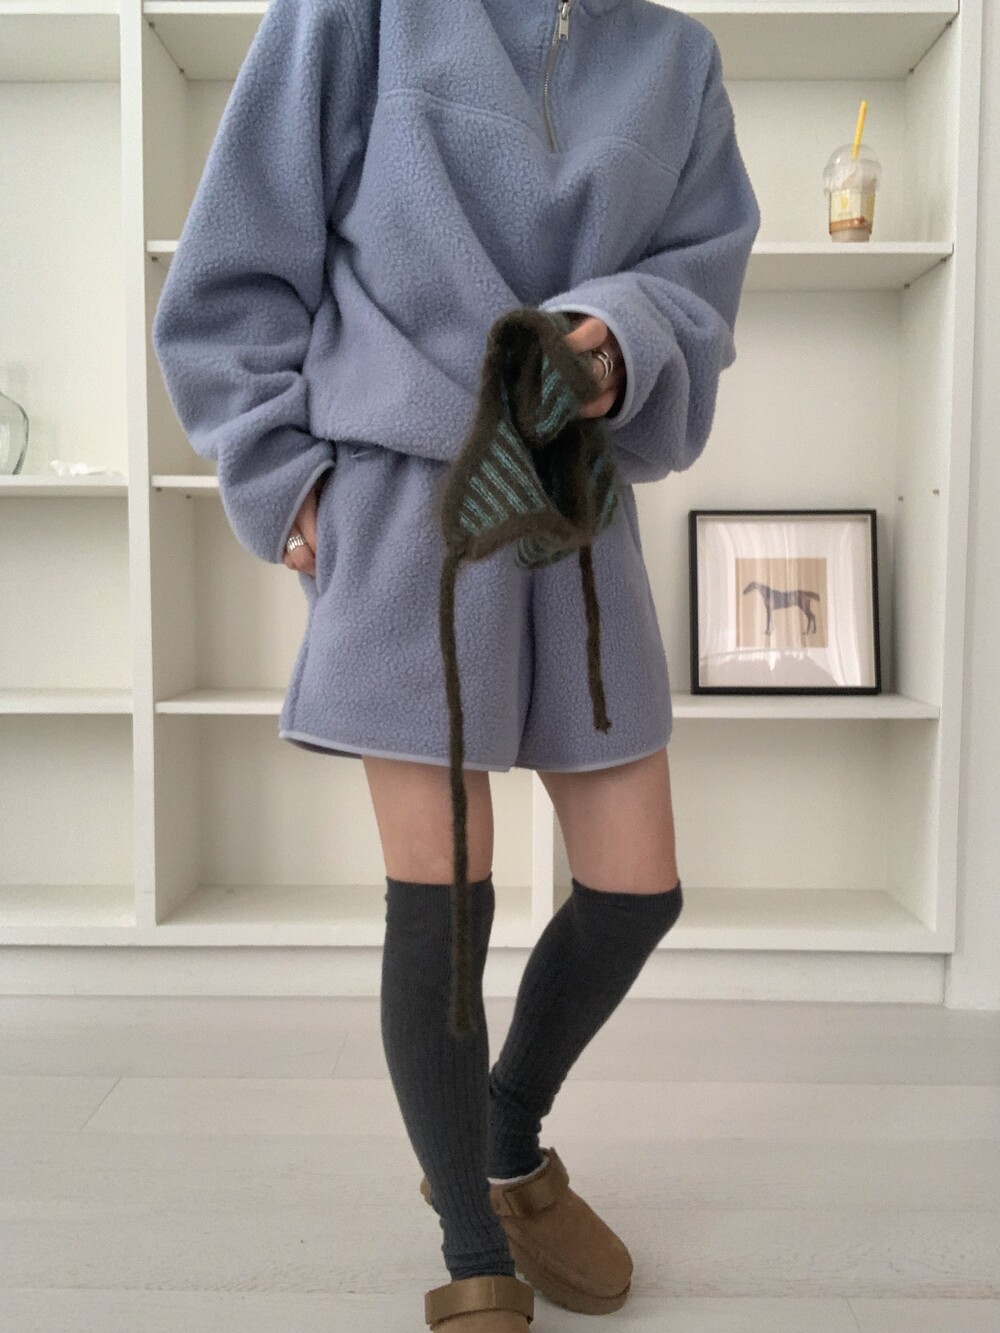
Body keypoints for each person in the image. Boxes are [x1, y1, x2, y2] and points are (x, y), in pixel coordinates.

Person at [151, 0, 761, 1326]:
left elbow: (700, 278)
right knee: (444, 898)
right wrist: (281, 474)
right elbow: (236, 260)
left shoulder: (676, 58)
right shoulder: (355, 11)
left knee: (636, 888)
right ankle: (476, 1246)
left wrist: (619, 336)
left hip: (578, 507)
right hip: (403, 505)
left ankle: (501, 1129)